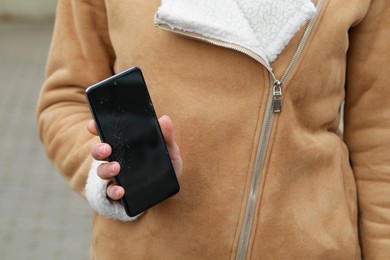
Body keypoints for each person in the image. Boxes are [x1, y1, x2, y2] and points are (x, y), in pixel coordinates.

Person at [37, 0, 390, 259]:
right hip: (149, 248)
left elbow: (380, 142)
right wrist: (113, 174)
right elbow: (65, 97)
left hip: (312, 245)